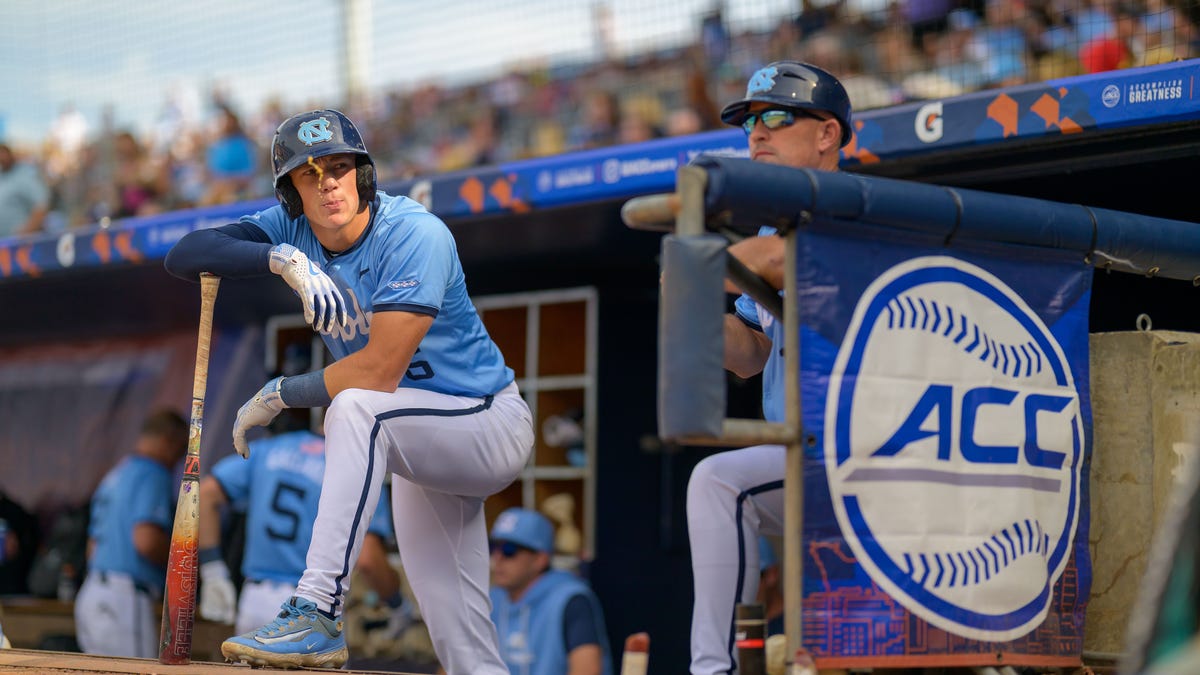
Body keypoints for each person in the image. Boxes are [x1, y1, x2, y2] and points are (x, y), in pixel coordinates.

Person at [164, 108, 534, 673]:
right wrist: (278, 257)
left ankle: (316, 610)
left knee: (358, 406)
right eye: (309, 173)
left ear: (363, 174)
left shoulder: (413, 232)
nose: (328, 182)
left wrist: (278, 393)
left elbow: (380, 370)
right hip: (417, 438)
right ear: (290, 191)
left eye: (340, 167)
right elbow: (186, 253)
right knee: (460, 643)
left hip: (484, 420)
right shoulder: (290, 230)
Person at [684, 61, 853, 675]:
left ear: (827, 134)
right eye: (751, 122)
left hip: (869, 451)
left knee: (719, 482)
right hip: (806, 452)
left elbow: (780, 260)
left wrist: (691, 265)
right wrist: (696, 312)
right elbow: (752, 354)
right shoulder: (768, 224)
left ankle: (714, 668)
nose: (757, 133)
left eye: (777, 117)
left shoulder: (853, 201)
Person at [196, 416, 415, 639]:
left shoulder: (269, 449)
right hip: (316, 605)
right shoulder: (361, 468)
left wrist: (214, 572)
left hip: (255, 601)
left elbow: (205, 494)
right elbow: (368, 560)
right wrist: (397, 604)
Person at [73, 408, 189, 658]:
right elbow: (145, 540)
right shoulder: (153, 472)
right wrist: (185, 563)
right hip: (124, 597)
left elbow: (92, 546)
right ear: (167, 441)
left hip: (92, 592)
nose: (175, 461)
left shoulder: (118, 471)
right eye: (179, 451)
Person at [488, 507, 613, 675]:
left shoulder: (571, 599)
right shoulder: (492, 598)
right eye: (493, 547)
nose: (498, 557)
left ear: (540, 559)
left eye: (509, 550)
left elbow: (587, 670)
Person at [0, 143, 50, 238]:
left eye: (3, 154)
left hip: (18, 244)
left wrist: (26, 232)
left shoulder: (26, 175)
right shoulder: (2, 175)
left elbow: (41, 206)